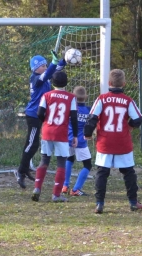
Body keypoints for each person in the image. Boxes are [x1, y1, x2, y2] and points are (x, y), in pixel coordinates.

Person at [84, 69, 142, 213]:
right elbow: (138, 119)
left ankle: (99, 203)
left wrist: (87, 134)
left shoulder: (101, 99)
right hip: (122, 142)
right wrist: (129, 126)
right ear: (124, 83)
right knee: (129, 172)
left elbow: (92, 118)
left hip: (105, 142)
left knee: (102, 173)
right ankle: (133, 202)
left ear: (109, 83)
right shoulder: (128, 100)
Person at [15, 50, 67, 189]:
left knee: (35, 144)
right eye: (42, 65)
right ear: (35, 68)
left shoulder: (45, 75)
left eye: (45, 65)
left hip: (41, 114)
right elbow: (48, 73)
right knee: (31, 143)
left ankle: (24, 168)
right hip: (33, 115)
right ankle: (21, 171)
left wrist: (64, 60)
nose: (45, 67)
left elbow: (54, 70)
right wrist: (54, 63)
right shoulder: (35, 78)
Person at [31, 71, 78, 202]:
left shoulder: (46, 95)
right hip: (61, 133)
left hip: (47, 131)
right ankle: (56, 194)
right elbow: (74, 117)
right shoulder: (71, 97)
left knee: (44, 160)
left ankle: (37, 188)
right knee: (61, 163)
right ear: (66, 83)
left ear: (52, 82)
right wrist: (74, 135)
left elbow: (40, 113)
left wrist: (45, 121)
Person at [62, 86, 92, 196]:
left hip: (68, 138)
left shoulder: (69, 109)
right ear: (86, 97)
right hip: (81, 141)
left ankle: (65, 185)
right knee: (88, 165)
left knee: (69, 159)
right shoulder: (89, 110)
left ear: (73, 96)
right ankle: (76, 189)